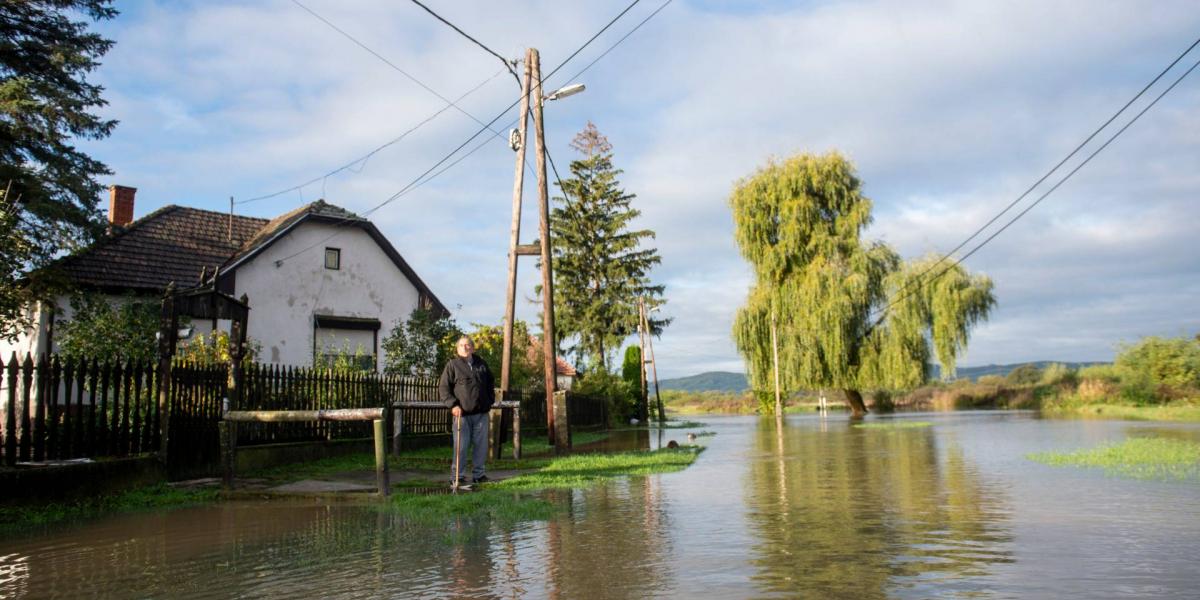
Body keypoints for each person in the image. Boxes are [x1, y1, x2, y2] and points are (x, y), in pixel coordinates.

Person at [439, 335, 495, 487]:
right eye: (461, 345)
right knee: (461, 446)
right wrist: (453, 405)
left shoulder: (481, 364)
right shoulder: (452, 365)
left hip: (481, 413)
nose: (464, 347)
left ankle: (479, 475)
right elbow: (444, 388)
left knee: (481, 446)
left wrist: (489, 401)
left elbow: (490, 383)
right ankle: (458, 476)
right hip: (462, 414)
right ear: (457, 349)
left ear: (472, 348)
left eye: (467, 345)